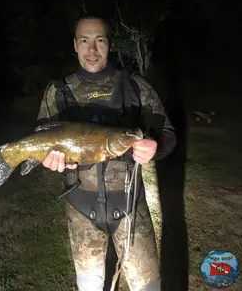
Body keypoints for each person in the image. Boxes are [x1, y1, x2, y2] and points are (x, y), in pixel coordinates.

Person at [36, 15, 177, 291]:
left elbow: (168, 132)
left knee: (149, 286)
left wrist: (156, 146)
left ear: (109, 44)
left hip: (130, 207)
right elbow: (41, 139)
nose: (92, 49)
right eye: (85, 41)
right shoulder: (57, 91)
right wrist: (47, 159)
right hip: (80, 209)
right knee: (89, 286)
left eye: (99, 40)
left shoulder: (136, 86)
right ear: (75, 45)